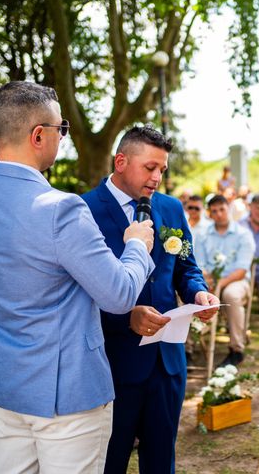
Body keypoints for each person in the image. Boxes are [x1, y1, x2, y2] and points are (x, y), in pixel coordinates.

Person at [0, 81, 156, 473]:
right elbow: (118, 295)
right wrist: (137, 246)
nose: (64, 137)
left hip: (4, 387)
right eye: (62, 128)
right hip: (69, 398)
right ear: (39, 135)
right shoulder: (61, 209)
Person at [82, 125, 219, 474]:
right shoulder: (83, 210)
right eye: (150, 168)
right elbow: (76, 293)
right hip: (113, 364)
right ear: (121, 161)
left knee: (161, 462)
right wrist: (124, 317)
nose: (158, 177)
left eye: (163, 169)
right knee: (108, 463)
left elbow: (186, 266)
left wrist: (198, 292)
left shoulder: (172, 210)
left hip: (167, 363)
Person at [195, 194, 255, 367]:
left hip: (236, 280)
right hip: (209, 281)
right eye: (214, 211)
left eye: (222, 209)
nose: (219, 214)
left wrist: (221, 283)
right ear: (210, 214)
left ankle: (236, 349)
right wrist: (207, 278)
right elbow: (199, 264)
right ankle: (188, 347)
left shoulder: (243, 234)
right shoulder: (203, 235)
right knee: (188, 292)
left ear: (228, 209)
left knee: (231, 295)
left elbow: (242, 270)